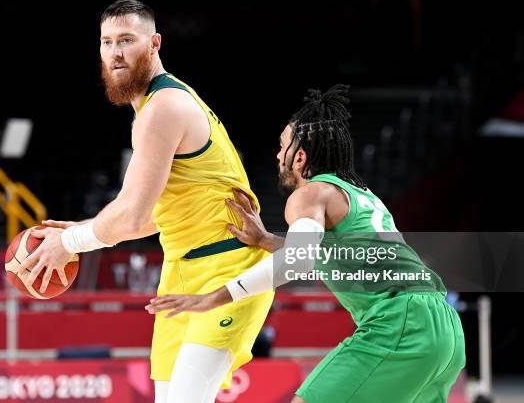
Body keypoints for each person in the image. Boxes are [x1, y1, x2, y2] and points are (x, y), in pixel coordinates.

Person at [16, 0, 273, 403]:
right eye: (106, 42)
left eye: (127, 40)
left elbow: (133, 219)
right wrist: (85, 229)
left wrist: (68, 243)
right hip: (181, 272)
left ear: (154, 44)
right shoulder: (153, 109)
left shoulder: (164, 108)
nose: (115, 53)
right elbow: (158, 212)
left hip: (228, 266)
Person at [146, 85, 467, 403]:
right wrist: (266, 239)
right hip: (445, 328)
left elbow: (299, 259)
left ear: (299, 157)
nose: (276, 154)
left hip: (400, 324)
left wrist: (216, 297)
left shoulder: (309, 194)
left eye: (281, 146)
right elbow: (335, 254)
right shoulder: (362, 196)